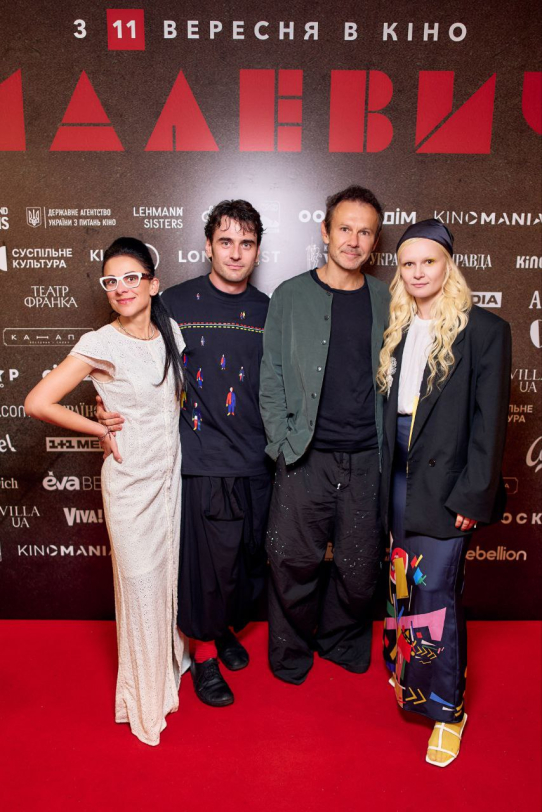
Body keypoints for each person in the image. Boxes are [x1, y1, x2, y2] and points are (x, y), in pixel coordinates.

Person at [97, 201, 271, 707]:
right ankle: (204, 657)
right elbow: (127, 354)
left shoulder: (270, 308)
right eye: (225, 241)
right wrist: (103, 409)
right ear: (207, 246)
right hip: (198, 457)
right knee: (205, 569)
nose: (235, 252)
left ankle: (221, 630)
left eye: (246, 243)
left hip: (257, 460)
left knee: (242, 565)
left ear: (257, 251)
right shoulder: (172, 302)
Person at [24, 237, 189, 746]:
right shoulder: (101, 343)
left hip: (169, 481)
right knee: (139, 586)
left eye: (131, 277)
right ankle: (143, 699)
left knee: (165, 581)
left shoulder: (171, 332)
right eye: (111, 281)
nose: (121, 288)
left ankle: (168, 664)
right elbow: (38, 402)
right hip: (129, 483)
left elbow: (173, 403)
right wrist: (99, 427)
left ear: (153, 284)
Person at [376, 219, 511, 767]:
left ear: (447, 265)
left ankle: (448, 710)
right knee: (403, 582)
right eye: (407, 264)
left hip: (447, 484)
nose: (417, 272)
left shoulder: (485, 330)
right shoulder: (397, 326)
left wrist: (472, 497)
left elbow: (489, 424)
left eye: (427, 262)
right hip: (398, 476)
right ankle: (409, 674)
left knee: (437, 594)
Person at [259, 185, 389, 684]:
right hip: (305, 456)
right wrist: (281, 443)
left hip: (367, 459)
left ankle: (341, 642)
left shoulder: (387, 298)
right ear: (325, 232)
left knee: (359, 570)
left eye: (365, 232)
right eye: (345, 229)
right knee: (291, 562)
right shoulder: (290, 295)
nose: (353, 240)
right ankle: (290, 653)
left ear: (374, 241)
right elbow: (271, 374)